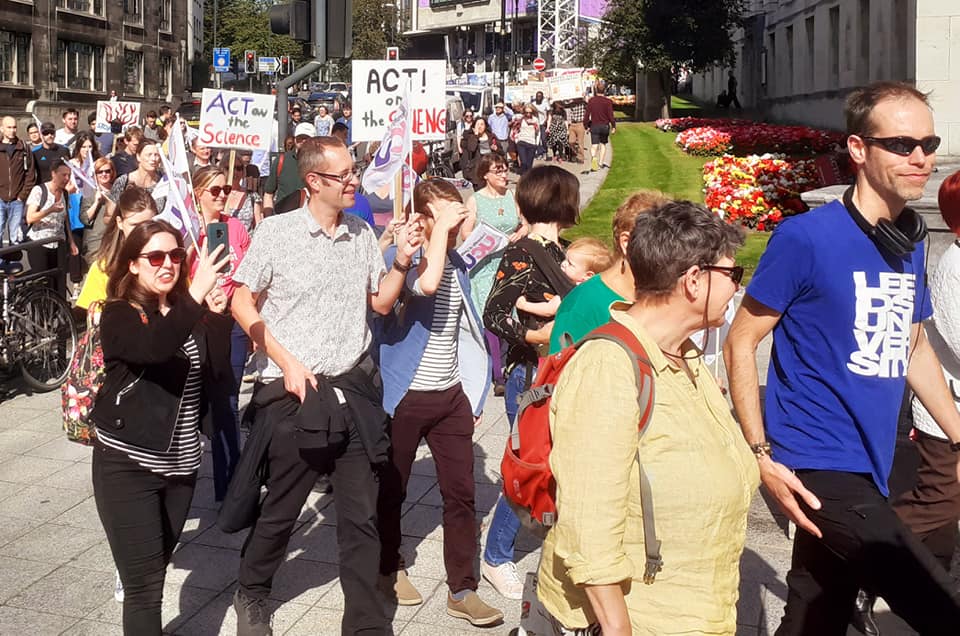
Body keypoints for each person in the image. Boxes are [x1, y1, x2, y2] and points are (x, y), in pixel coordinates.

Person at [724, 81, 960, 635]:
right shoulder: (804, 238)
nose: (920, 157)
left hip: (871, 462)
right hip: (817, 463)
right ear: (858, 149)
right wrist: (761, 454)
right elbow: (740, 339)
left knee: (816, 613)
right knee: (937, 605)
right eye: (902, 144)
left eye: (928, 142)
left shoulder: (908, 241)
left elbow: (914, 344)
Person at [536, 200, 758, 634]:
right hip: (641, 621)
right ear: (694, 281)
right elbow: (588, 520)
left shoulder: (684, 355)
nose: (736, 289)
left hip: (693, 610)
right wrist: (618, 628)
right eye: (732, 276)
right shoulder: (608, 367)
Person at [230, 136, 421, 635]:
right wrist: (285, 361)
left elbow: (379, 303)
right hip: (293, 395)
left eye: (353, 172)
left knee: (360, 517)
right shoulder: (276, 233)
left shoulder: (361, 233)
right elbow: (241, 303)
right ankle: (251, 593)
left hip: (351, 390)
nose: (355, 181)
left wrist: (401, 261)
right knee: (281, 510)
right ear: (314, 181)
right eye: (345, 175)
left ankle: (364, 624)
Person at [91, 219, 230, 635]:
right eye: (155, 256)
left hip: (181, 466)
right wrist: (195, 298)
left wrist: (217, 318)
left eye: (175, 255)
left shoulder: (186, 309)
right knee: (145, 588)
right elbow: (154, 349)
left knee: (157, 568)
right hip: (128, 464)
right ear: (134, 264)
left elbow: (218, 376)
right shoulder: (118, 313)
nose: (167, 264)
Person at [376, 179, 503, 626]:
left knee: (461, 493)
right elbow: (423, 288)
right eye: (444, 211)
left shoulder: (457, 263)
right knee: (393, 487)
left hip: (451, 395)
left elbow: (468, 331)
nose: (456, 217)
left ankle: (462, 588)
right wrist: (436, 235)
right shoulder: (401, 260)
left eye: (457, 209)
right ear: (425, 218)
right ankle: (389, 564)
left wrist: (474, 388)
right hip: (405, 395)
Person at [481, 165, 579, 600]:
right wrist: (534, 335)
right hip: (530, 376)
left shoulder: (568, 253)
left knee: (556, 465)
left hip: (563, 374)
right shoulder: (523, 254)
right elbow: (494, 313)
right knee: (530, 468)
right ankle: (496, 556)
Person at [192, 166, 252, 503]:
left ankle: (230, 488)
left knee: (229, 402)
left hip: (232, 323)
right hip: (198, 324)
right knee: (202, 403)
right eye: (213, 190)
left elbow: (249, 275)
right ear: (198, 192)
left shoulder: (237, 227)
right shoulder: (187, 230)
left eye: (224, 189)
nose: (221, 195)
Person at [549, 190, 671, 353]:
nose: (674, 253)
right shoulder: (582, 305)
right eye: (663, 243)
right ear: (626, 243)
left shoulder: (663, 294)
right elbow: (560, 371)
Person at [76, 186, 156, 311]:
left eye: (148, 224)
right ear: (120, 223)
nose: (141, 231)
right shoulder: (103, 267)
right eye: (134, 225)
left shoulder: (167, 260)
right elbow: (95, 320)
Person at [516, 237, 613, 319]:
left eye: (570, 264)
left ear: (587, 275)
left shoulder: (572, 291)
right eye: (565, 259)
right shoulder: (595, 287)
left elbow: (549, 309)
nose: (564, 264)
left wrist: (524, 305)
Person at [25, 160, 78, 287]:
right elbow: (30, 218)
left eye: (69, 175)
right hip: (39, 242)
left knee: (58, 282)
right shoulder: (39, 190)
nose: (66, 178)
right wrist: (50, 210)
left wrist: (71, 242)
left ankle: (57, 306)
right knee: (42, 283)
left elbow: (65, 219)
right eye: (63, 175)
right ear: (53, 174)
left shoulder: (64, 193)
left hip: (58, 242)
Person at [0, 115, 38, 246]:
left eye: (14, 127)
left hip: (17, 200)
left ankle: (11, 263)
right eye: (8, 127)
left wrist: (22, 196)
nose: (12, 130)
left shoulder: (24, 148)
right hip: (0, 199)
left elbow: (30, 174)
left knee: (15, 236)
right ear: (2, 129)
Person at [263, 125, 312, 216]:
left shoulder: (320, 164)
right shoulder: (281, 160)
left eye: (307, 138)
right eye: (300, 138)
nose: (303, 141)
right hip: (282, 220)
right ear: (295, 139)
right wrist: (268, 220)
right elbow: (268, 194)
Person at [111, 141, 166, 213]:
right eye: (149, 155)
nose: (153, 159)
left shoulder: (164, 181)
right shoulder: (124, 181)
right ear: (138, 157)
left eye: (156, 155)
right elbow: (109, 217)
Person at [218, 157, 263, 233]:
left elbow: (259, 226)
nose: (235, 172)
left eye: (239, 168)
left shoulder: (252, 196)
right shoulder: (217, 195)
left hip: (248, 242)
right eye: (230, 168)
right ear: (222, 170)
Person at [460, 118, 502, 190]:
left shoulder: (491, 137)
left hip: (491, 168)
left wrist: (496, 149)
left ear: (485, 126)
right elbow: (471, 149)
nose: (480, 126)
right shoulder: (470, 137)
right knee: (480, 192)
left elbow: (502, 152)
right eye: (478, 124)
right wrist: (476, 136)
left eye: (482, 124)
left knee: (492, 191)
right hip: (477, 170)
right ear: (474, 127)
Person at [585, 81, 616, 171]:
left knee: (594, 145)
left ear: (595, 90)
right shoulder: (608, 102)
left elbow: (587, 114)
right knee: (603, 144)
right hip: (604, 126)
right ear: (605, 90)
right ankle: (601, 162)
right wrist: (613, 126)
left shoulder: (591, 101)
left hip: (594, 125)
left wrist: (586, 125)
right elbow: (611, 115)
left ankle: (594, 157)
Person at [515, 105, 540, 175]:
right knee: (523, 162)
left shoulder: (535, 120)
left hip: (531, 143)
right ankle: (522, 178)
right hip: (521, 142)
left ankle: (528, 180)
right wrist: (517, 140)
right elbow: (515, 130)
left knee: (529, 165)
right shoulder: (521, 119)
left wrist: (536, 143)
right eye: (526, 112)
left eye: (530, 112)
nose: (528, 114)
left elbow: (538, 132)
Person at [564, 98, 587, 165]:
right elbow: (565, 105)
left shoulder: (583, 103)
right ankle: (576, 153)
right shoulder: (572, 103)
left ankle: (581, 158)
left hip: (580, 123)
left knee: (580, 142)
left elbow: (588, 105)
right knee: (571, 141)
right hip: (572, 124)